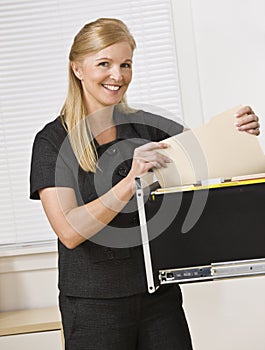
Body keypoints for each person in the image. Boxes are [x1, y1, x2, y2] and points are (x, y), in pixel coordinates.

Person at [30, 18, 260, 350]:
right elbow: (69, 230)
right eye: (104, 64)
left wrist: (238, 134)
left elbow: (204, 160)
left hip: (158, 298)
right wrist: (128, 183)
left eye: (125, 64)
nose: (117, 75)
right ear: (77, 68)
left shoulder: (147, 127)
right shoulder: (52, 142)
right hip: (95, 306)